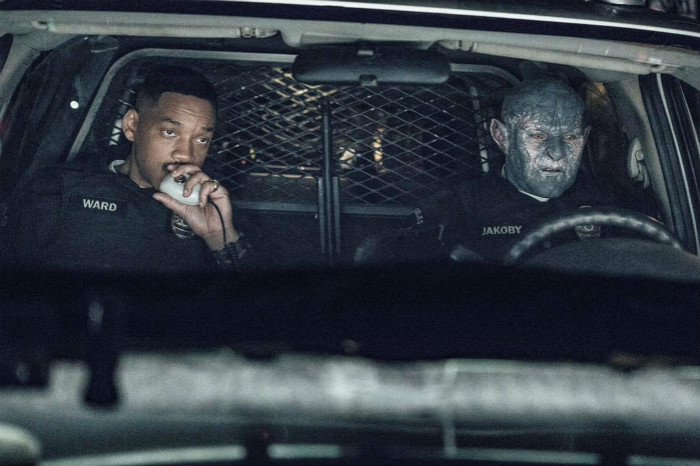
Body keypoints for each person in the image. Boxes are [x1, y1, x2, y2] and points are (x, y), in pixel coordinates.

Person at [1, 65, 251, 272]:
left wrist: (218, 237)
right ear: (132, 126)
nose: (186, 153)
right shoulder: (59, 189)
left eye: (201, 139)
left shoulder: (214, 207)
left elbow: (249, 301)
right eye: (169, 132)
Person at [357, 76, 606, 264]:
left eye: (570, 137)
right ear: (501, 136)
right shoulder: (454, 208)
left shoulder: (608, 201)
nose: (557, 152)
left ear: (585, 138)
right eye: (538, 135)